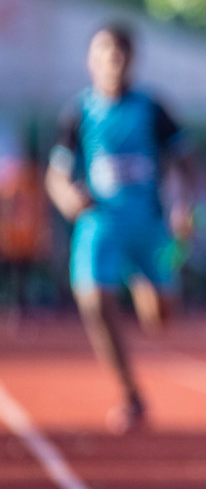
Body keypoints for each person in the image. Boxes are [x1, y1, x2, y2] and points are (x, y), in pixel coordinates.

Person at [44, 23, 194, 433]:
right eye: (104, 52)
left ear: (132, 59)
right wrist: (68, 198)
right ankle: (131, 394)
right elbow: (55, 176)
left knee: (161, 319)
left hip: (150, 226)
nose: (113, 60)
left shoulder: (153, 108)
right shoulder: (78, 113)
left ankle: (143, 279)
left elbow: (186, 163)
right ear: (90, 60)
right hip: (100, 224)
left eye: (120, 52)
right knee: (93, 302)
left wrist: (183, 206)